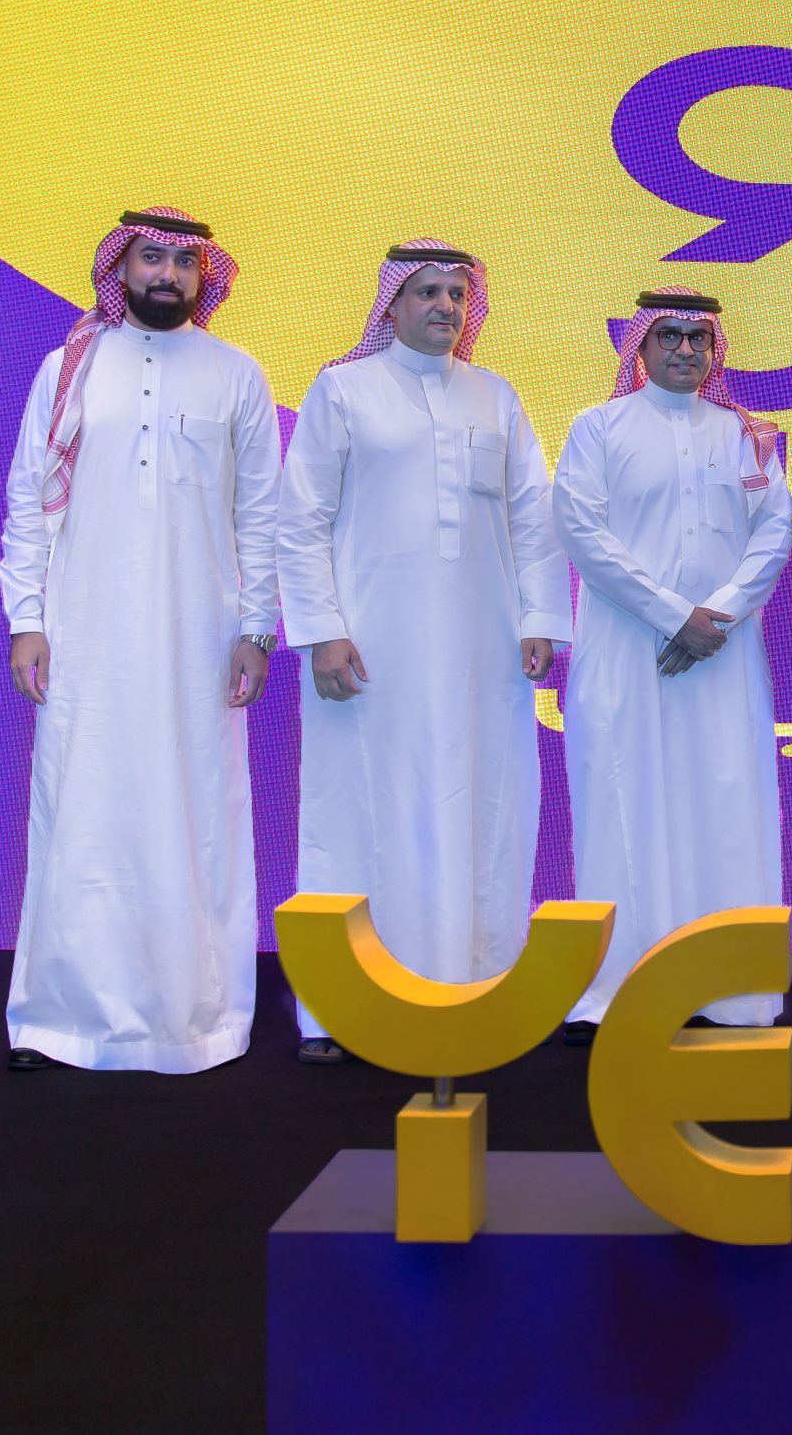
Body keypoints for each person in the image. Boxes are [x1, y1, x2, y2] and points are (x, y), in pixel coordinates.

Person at [0, 208, 278, 1072]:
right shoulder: (70, 368)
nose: (167, 275)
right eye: (151, 258)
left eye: (183, 263)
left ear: (204, 276)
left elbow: (261, 515)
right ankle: (57, 1019)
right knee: (81, 811)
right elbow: (27, 500)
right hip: (86, 635)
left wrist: (257, 630)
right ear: (121, 269)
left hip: (201, 644)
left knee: (194, 818)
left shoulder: (237, 375)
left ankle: (199, 1020)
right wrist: (26, 620)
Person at [276, 240, 569, 1062]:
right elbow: (301, 519)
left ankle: (475, 982)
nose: (444, 306)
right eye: (428, 291)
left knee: (483, 806)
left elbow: (532, 516)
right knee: (356, 811)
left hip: (482, 653)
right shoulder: (344, 390)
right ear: (394, 305)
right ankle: (339, 1005)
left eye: (456, 294)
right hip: (368, 652)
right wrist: (321, 630)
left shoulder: (495, 396)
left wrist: (540, 617)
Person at [553, 289, 792, 1043]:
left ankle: (731, 993)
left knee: (727, 811)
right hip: (628, 653)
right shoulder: (598, 428)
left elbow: (775, 530)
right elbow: (583, 532)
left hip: (723, 655)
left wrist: (716, 614)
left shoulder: (747, 436)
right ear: (641, 346)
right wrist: (672, 614)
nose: (686, 350)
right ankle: (615, 990)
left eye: (698, 337)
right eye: (670, 336)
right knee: (623, 808)